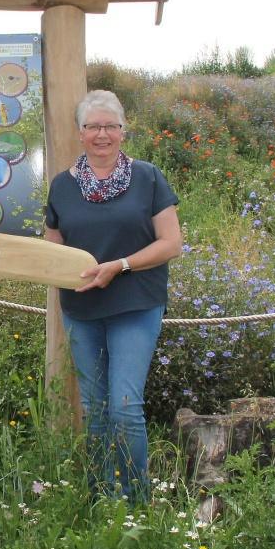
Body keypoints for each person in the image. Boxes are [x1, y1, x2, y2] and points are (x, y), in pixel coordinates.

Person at [44, 90, 183, 500]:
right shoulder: (62, 187)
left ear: (123, 131)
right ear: (80, 133)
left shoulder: (148, 178)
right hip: (81, 307)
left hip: (136, 304)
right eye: (93, 126)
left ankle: (138, 502)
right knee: (97, 411)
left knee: (124, 406)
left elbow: (171, 243)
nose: (102, 134)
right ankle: (101, 497)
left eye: (110, 126)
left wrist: (119, 266)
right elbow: (53, 246)